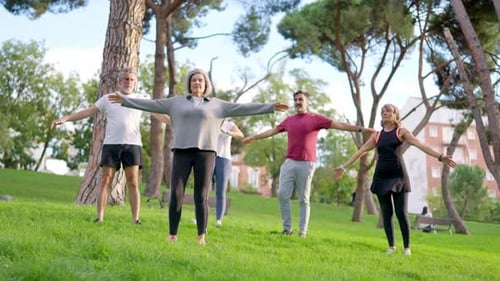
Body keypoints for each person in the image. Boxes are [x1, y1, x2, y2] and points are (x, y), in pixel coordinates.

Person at [108, 68, 288, 245]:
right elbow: (151, 104)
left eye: (200, 80)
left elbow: (243, 108)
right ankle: (172, 235)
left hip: (206, 153)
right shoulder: (176, 102)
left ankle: (201, 236)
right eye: (194, 80)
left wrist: (270, 107)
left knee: (200, 195)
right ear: (189, 83)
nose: (197, 82)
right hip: (181, 151)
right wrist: (125, 101)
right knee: (176, 193)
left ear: (206, 84)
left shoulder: (217, 105)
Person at [243, 90, 375, 238]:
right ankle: (287, 229)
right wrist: (254, 137)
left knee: (303, 198)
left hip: (306, 163)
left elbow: (340, 125)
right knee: (282, 194)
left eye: (301, 99)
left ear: (307, 102)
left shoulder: (315, 119)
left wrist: (361, 129)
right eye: (296, 100)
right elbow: (272, 131)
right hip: (289, 162)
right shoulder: (289, 120)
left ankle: (302, 232)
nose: (298, 102)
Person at [51, 67, 170, 224]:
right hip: (111, 144)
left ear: (135, 83)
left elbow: (159, 115)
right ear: (119, 82)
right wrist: (65, 119)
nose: (128, 82)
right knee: (106, 180)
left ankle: (136, 219)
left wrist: (178, 122)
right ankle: (99, 217)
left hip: (132, 145)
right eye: (126, 79)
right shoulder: (109, 98)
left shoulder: (140, 99)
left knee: (133, 181)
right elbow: (88, 111)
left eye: (131, 80)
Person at [334, 104, 456, 255]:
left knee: (401, 213)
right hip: (381, 176)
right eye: (383, 111)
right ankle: (391, 246)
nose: (385, 113)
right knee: (386, 213)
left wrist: (440, 156)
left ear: (395, 115)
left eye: (388, 111)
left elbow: (420, 144)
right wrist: (344, 166)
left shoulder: (401, 132)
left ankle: (407, 248)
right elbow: (361, 151)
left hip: (398, 176)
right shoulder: (377, 135)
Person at [213, 119, 244, 227]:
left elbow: (240, 134)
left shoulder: (229, 124)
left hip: (224, 159)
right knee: (203, 189)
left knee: (220, 191)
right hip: (209, 157)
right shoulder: (210, 122)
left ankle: (218, 220)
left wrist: (227, 132)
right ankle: (199, 217)